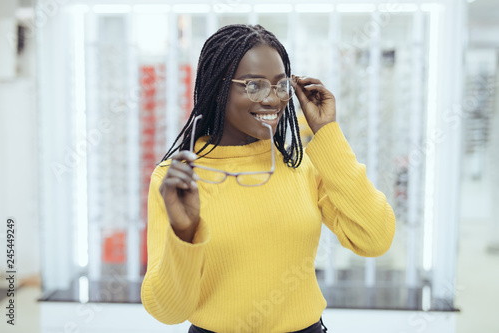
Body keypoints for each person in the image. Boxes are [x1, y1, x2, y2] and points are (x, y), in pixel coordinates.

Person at [141, 24, 396, 333]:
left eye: (281, 85)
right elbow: (168, 312)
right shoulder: (176, 181)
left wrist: (327, 132)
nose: (274, 100)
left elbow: (375, 238)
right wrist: (184, 232)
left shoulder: (299, 165)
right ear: (219, 88)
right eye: (254, 86)